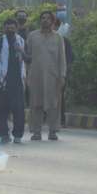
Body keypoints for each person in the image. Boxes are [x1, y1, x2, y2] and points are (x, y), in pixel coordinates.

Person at [25, 10, 68, 141]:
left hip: (53, 76)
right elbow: (27, 57)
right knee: (36, 104)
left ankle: (53, 131)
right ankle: (36, 131)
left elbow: (62, 58)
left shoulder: (58, 38)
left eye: (48, 18)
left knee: (53, 104)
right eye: (43, 18)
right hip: (35, 75)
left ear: (52, 21)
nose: (45, 20)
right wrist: (26, 75)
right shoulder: (32, 36)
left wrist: (62, 76)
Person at [0, 19, 27, 144]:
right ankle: (3, 134)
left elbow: (28, 58)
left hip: (17, 80)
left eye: (12, 28)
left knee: (18, 109)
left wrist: (21, 50)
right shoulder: (0, 41)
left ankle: (18, 134)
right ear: (4, 28)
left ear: (16, 28)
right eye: (7, 28)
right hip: (2, 80)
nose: (10, 30)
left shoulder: (21, 41)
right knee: (0, 109)